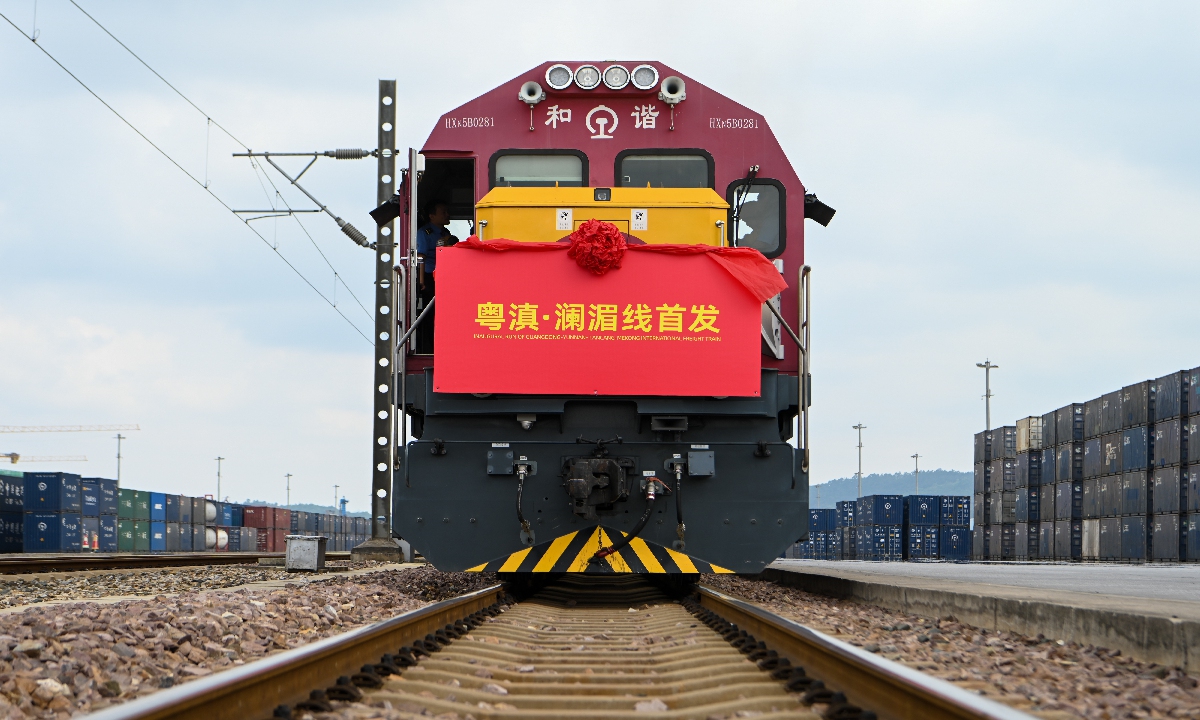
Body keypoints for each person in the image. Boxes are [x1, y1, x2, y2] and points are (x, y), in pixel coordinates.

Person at [415, 201, 453, 352]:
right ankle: (430, 348)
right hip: (430, 276)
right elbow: (421, 257)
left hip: (445, 276)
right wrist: (422, 281)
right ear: (432, 216)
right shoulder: (425, 232)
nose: (447, 215)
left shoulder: (446, 234)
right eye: (443, 212)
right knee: (431, 313)